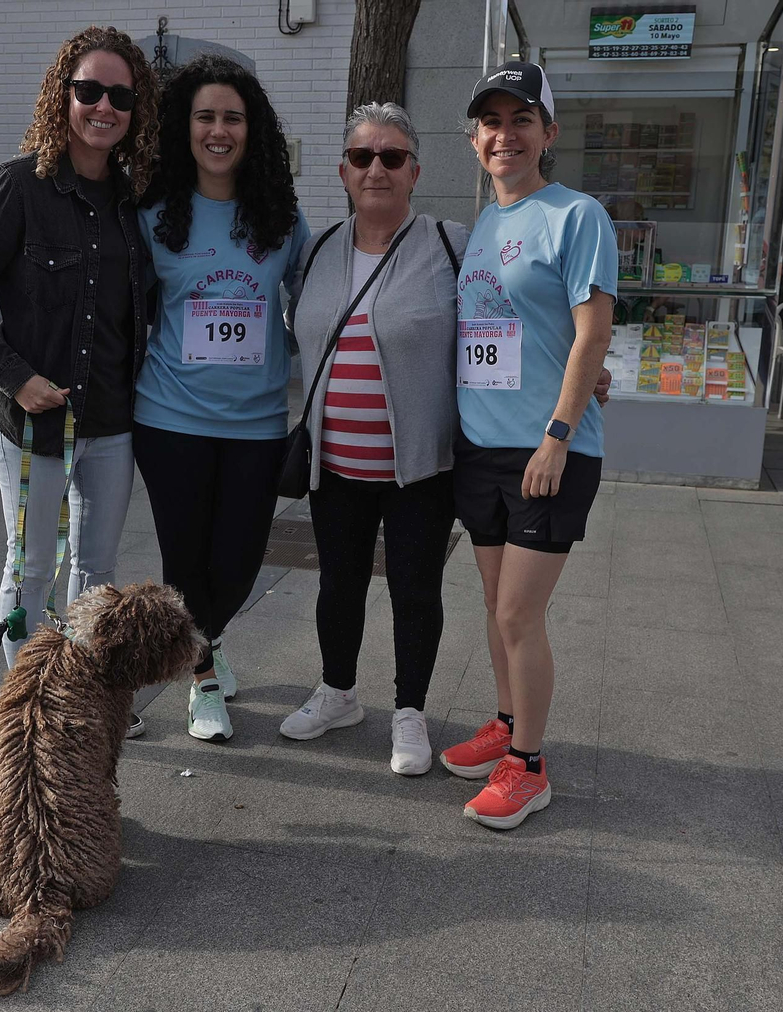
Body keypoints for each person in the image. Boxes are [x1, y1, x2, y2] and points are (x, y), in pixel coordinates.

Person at [0, 27, 160, 739]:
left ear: (135, 110)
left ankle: (85, 701)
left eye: (120, 95)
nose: (104, 106)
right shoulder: (16, 187)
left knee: (95, 569)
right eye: (89, 90)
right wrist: (16, 376)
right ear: (63, 95)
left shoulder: (134, 200)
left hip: (112, 420)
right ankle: (29, 708)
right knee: (32, 566)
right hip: (33, 421)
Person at [438, 62, 618, 829]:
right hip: (480, 447)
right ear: (474, 139)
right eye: (491, 122)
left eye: (521, 120)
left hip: (549, 451)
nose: (504, 135)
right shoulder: (481, 225)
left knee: (518, 613)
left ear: (549, 133)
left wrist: (559, 432)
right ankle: (507, 722)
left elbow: (593, 332)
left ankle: (530, 767)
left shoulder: (577, 216)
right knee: (493, 604)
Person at [277, 102, 465, 775]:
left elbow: (509, 318)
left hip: (420, 468)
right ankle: (338, 692)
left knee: (414, 590)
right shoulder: (320, 248)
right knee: (339, 584)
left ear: (415, 170)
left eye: (392, 157)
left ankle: (410, 710)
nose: (376, 169)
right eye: (362, 157)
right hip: (334, 465)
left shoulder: (450, 244)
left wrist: (578, 371)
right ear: (344, 172)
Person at [132, 55, 310, 742]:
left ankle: (207, 638)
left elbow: (319, 302)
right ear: (185, 126)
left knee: (237, 564)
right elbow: (121, 309)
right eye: (205, 116)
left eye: (232, 118)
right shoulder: (154, 216)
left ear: (250, 129)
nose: (218, 130)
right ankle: (202, 678)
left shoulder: (281, 220)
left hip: (257, 424)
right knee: (185, 560)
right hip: (169, 418)